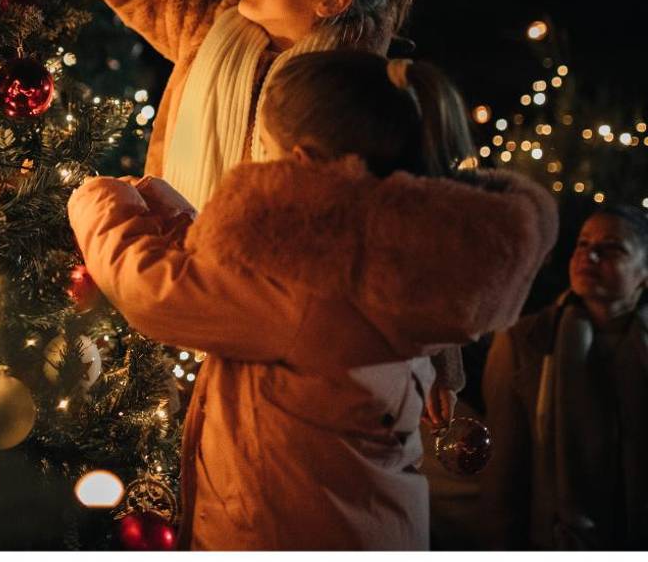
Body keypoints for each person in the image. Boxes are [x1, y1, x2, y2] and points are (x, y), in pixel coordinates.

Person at [0, 0, 461, 422]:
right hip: (171, 319)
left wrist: (441, 364)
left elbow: (409, 228)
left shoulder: (360, 100)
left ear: (332, 0)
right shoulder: (209, 31)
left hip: (277, 354)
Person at [65, 51, 558, 549]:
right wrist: (174, 216)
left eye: (266, 150)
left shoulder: (305, 286)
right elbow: (245, 286)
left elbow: (153, 289)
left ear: (301, 163)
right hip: (373, 525)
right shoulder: (392, 253)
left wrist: (98, 199)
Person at [481, 204, 648, 549]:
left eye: (612, 247)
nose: (591, 255)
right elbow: (504, 479)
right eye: (582, 244)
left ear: (643, 274)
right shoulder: (525, 342)